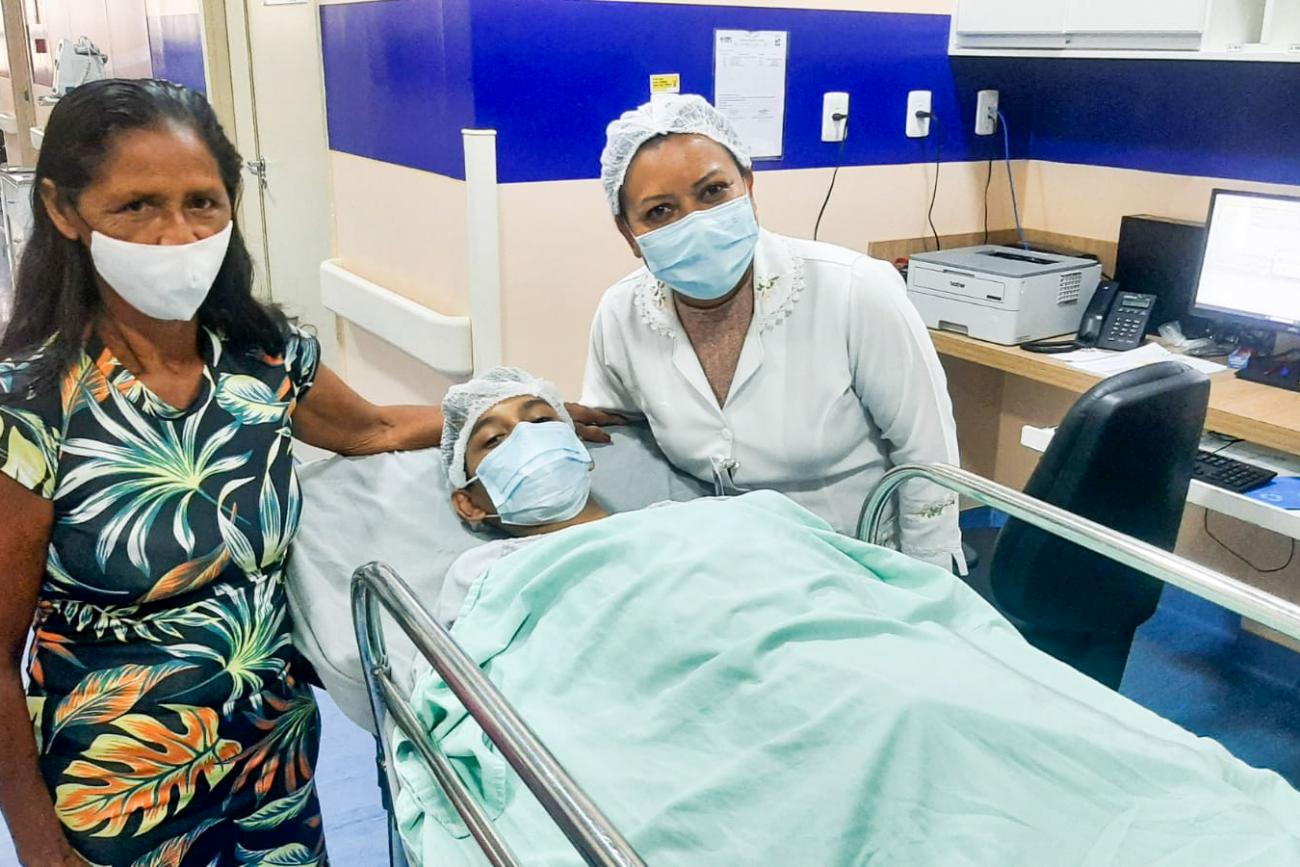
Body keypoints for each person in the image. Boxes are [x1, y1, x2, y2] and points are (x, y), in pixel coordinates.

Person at [0, 80, 616, 866]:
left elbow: (372, 428)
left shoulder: (262, 359)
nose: (177, 236)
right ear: (64, 210)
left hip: (273, 764)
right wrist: (37, 843)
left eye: (202, 203)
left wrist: (516, 414)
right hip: (120, 787)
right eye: (137, 206)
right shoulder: (30, 408)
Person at [581, 94, 964, 571]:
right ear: (628, 234)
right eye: (660, 211)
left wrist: (927, 581)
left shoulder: (855, 290)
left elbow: (926, 452)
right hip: (715, 568)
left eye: (713, 192)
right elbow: (621, 439)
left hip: (855, 564)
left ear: (748, 185)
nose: (695, 222)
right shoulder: (622, 315)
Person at [439, 367, 609, 625]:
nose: (527, 435)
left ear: (580, 448)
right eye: (494, 439)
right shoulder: (484, 572)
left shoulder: (667, 520)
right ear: (470, 504)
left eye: (541, 420)